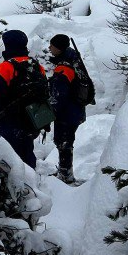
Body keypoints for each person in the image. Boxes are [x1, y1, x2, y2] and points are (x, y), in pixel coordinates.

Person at [0, 29, 50, 168]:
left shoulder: (6, 67)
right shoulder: (36, 66)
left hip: (9, 122)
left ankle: (14, 186)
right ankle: (32, 184)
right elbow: (44, 94)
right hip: (32, 119)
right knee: (27, 152)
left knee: (8, 159)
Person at [48, 33, 87, 183]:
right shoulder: (74, 60)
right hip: (75, 109)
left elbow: (59, 96)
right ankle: (65, 172)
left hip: (67, 113)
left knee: (63, 142)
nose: (49, 48)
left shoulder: (64, 68)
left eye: (52, 45)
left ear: (59, 48)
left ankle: (65, 175)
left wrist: (51, 113)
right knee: (66, 142)